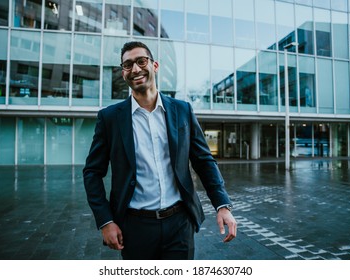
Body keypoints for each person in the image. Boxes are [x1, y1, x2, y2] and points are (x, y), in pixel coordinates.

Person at [83, 41, 237, 260]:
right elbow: (92, 172)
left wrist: (222, 205)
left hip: (179, 223)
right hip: (135, 227)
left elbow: (203, 160)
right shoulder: (110, 118)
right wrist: (105, 221)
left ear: (154, 65)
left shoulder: (182, 110)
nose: (135, 69)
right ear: (123, 72)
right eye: (128, 65)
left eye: (141, 61)